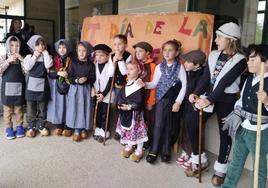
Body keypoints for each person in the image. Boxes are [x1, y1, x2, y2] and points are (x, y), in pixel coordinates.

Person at [188, 22, 247, 186]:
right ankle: (200, 159)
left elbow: (224, 83)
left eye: (219, 37)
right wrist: (195, 93)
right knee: (192, 122)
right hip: (210, 97)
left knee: (225, 133)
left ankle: (221, 170)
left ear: (230, 39)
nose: (216, 40)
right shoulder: (213, 54)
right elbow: (205, 77)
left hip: (226, 100)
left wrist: (208, 100)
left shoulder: (241, 60)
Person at [222, 44, 268, 188]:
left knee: (258, 167)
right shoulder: (249, 80)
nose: (248, 62)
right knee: (236, 162)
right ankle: (228, 186)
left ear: (266, 62)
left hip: (259, 131)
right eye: (248, 59)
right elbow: (241, 100)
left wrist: (266, 101)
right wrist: (237, 111)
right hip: (242, 127)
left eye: (253, 59)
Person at [141, 39, 187, 164]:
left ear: (176, 53)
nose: (167, 53)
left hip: (173, 100)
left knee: (169, 125)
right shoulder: (159, 67)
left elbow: (184, 86)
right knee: (158, 124)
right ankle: (154, 149)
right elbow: (154, 84)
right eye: (165, 50)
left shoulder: (180, 67)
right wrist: (144, 84)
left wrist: (178, 102)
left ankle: (166, 150)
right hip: (161, 100)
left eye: (170, 50)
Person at [175, 50, 209, 176]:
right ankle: (187, 151)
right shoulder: (188, 73)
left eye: (189, 62)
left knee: (194, 132)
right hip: (185, 106)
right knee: (185, 129)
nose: (185, 63)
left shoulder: (202, 76)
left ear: (197, 65)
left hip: (195, 108)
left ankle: (194, 155)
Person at [22, 35, 53, 137]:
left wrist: (45, 53)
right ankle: (31, 127)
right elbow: (27, 67)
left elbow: (48, 65)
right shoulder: (29, 57)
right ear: (32, 46)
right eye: (37, 45)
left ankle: (41, 125)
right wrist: (35, 56)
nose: (40, 46)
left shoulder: (46, 57)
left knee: (42, 107)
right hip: (31, 87)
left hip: (42, 86)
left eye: (42, 44)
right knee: (31, 108)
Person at [117, 61, 148, 162]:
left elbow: (139, 100)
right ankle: (129, 145)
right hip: (125, 112)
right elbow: (121, 96)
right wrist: (120, 104)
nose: (128, 71)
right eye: (127, 69)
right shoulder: (126, 84)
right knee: (127, 130)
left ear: (138, 71)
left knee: (137, 131)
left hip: (135, 114)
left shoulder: (139, 84)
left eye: (131, 69)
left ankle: (139, 150)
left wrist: (129, 106)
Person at [66, 41, 95, 142]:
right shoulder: (73, 62)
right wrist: (77, 80)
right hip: (75, 89)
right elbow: (69, 77)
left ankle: (84, 128)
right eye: (79, 51)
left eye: (84, 51)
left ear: (88, 52)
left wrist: (87, 80)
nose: (81, 53)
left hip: (86, 90)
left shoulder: (91, 65)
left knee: (85, 108)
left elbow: (93, 78)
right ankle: (77, 130)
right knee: (75, 108)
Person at [0, 36, 26, 139]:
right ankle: (9, 128)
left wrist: (22, 59)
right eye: (11, 45)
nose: (14, 48)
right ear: (7, 46)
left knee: (19, 109)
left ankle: (19, 126)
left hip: (19, 87)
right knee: (7, 110)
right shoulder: (3, 57)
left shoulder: (21, 58)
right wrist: (8, 61)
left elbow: (26, 72)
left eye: (17, 45)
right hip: (7, 88)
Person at [108, 34, 132, 140]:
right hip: (113, 85)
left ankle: (122, 129)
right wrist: (113, 62)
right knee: (113, 106)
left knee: (121, 106)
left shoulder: (129, 56)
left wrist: (121, 60)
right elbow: (110, 74)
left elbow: (124, 72)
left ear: (125, 45)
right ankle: (116, 128)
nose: (117, 47)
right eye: (115, 44)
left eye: (120, 44)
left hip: (123, 86)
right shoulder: (112, 56)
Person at [133, 41, 156, 149]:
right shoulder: (135, 65)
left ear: (148, 53)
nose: (137, 53)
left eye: (140, 51)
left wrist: (151, 101)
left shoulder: (152, 66)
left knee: (146, 121)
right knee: (136, 119)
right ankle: (134, 140)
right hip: (136, 99)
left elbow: (154, 85)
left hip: (146, 98)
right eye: (136, 51)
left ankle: (146, 142)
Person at [47, 39, 73, 137]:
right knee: (58, 105)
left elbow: (74, 73)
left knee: (68, 105)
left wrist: (67, 75)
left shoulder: (72, 60)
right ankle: (59, 125)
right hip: (56, 87)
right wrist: (58, 73)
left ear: (68, 48)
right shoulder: (54, 59)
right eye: (59, 47)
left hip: (68, 86)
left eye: (64, 47)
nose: (62, 50)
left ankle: (68, 126)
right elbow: (49, 73)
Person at [92, 44, 113, 143]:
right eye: (97, 55)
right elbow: (93, 79)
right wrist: (95, 90)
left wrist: (103, 94)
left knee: (105, 113)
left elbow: (110, 82)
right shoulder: (94, 65)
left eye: (102, 55)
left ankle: (104, 131)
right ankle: (98, 129)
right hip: (97, 92)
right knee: (98, 113)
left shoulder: (110, 66)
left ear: (107, 56)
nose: (99, 58)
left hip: (106, 93)